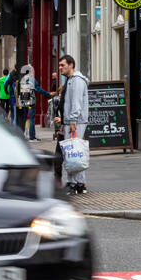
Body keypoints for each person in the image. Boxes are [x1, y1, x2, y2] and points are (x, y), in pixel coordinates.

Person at [58, 53, 88, 194]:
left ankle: (73, 183)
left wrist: (72, 120)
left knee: (72, 153)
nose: (60, 67)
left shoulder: (77, 81)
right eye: (59, 65)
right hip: (70, 121)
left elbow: (76, 103)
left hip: (75, 122)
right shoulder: (70, 80)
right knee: (75, 152)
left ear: (71, 65)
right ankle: (79, 183)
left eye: (62, 65)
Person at [17, 64, 50, 140]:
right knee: (31, 119)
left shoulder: (21, 80)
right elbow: (38, 89)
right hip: (31, 101)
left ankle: (22, 135)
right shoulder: (32, 79)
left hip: (23, 100)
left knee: (24, 118)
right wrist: (47, 94)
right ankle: (32, 136)